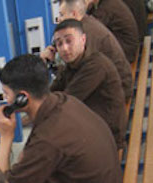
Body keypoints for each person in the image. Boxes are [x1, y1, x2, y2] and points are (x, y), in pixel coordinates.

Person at [0, 54, 125, 183]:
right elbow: (33, 155)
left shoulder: (49, 137)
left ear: (22, 98)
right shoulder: (63, 102)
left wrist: (5, 137)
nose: (5, 101)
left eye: (6, 94)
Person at [45, 19, 127, 150]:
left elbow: (66, 101)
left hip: (108, 137)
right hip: (93, 126)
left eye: (69, 41)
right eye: (59, 44)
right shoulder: (72, 65)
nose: (64, 48)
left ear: (83, 39)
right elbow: (50, 93)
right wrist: (45, 63)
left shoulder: (96, 65)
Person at [58, 0, 133, 101]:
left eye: (62, 15)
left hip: (119, 89)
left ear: (74, 14)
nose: (59, 19)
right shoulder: (86, 23)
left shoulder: (87, 34)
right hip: (120, 82)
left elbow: (82, 79)